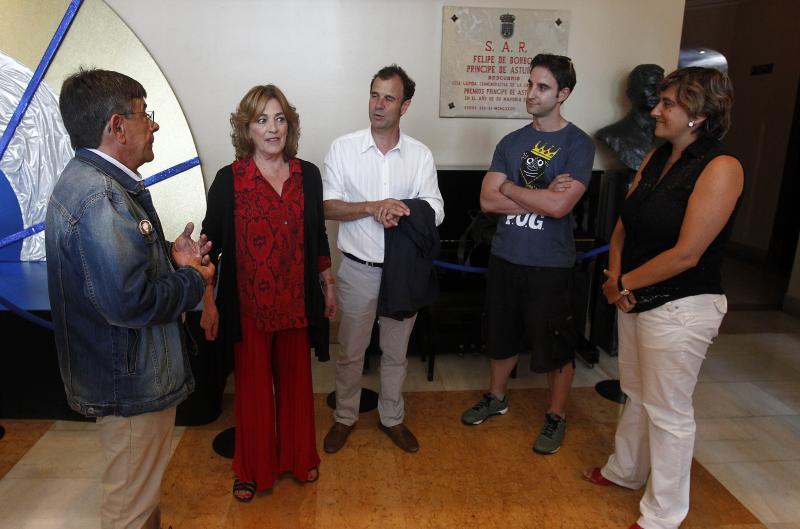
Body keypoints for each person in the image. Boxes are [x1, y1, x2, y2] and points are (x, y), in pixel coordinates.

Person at [45, 69, 215, 529]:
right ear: (117, 126)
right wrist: (193, 279)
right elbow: (131, 302)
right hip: (131, 383)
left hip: (127, 375)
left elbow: (120, 276)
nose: (154, 125)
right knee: (129, 507)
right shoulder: (100, 198)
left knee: (138, 487)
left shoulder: (97, 183)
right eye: (146, 115)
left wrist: (170, 257)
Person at [582, 67, 743, 529]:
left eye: (668, 103)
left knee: (669, 413)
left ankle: (663, 515)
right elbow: (623, 224)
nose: (656, 109)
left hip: (682, 307)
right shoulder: (656, 157)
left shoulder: (721, 168)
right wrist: (617, 278)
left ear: (698, 114)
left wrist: (624, 283)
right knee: (635, 395)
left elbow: (687, 254)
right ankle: (625, 471)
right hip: (634, 297)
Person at [200, 84, 336, 503]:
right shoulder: (229, 180)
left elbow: (318, 240)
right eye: (262, 120)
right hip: (249, 309)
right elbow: (209, 247)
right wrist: (207, 300)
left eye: (280, 119)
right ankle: (251, 470)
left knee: (297, 388)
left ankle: (299, 458)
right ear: (247, 129)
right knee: (254, 394)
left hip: (296, 303)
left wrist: (328, 286)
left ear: (289, 126)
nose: (272, 128)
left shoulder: (307, 175)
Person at [460, 54, 595, 456]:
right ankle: (496, 397)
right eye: (530, 84)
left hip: (550, 264)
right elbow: (487, 199)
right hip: (506, 257)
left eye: (543, 87)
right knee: (501, 336)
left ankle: (556, 415)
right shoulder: (511, 142)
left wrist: (513, 190)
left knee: (555, 343)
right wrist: (541, 195)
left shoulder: (577, 145)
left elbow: (559, 209)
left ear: (563, 94)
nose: (531, 93)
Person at [321, 64, 444, 454]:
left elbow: (436, 209)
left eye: (389, 97)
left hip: (402, 273)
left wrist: (401, 209)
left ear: (405, 105)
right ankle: (345, 416)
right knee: (351, 352)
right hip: (357, 269)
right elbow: (327, 206)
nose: (378, 104)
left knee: (395, 353)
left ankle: (392, 417)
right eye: (374, 94)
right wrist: (373, 207)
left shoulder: (420, 155)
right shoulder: (343, 148)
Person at [596, 64, 665, 171]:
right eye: (650, 86)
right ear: (631, 93)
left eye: (660, 87)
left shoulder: (671, 133)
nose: (657, 93)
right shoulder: (611, 135)